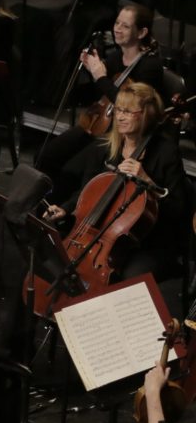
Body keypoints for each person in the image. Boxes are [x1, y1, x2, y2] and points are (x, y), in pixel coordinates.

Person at [42, 82, 187, 283]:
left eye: (127, 112)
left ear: (146, 114)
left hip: (146, 241)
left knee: (128, 279)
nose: (119, 117)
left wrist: (147, 180)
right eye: (118, 109)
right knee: (49, 254)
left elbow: (179, 209)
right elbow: (89, 191)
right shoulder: (106, 147)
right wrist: (66, 209)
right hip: (97, 228)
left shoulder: (165, 153)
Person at [37, 4, 165, 201]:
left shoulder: (150, 66)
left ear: (142, 32)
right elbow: (102, 94)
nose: (117, 29)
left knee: (72, 170)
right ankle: (44, 204)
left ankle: (63, 213)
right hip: (97, 122)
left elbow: (130, 106)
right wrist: (90, 69)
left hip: (118, 133)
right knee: (47, 154)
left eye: (125, 26)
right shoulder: (116, 57)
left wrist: (101, 78)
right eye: (117, 23)